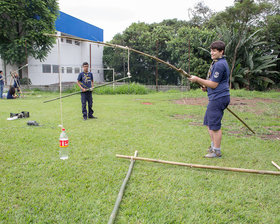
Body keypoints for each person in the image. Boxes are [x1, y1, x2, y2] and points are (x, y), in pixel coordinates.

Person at [188, 40, 230, 158]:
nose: (212, 53)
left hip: (219, 98)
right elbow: (212, 83)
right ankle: (213, 147)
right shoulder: (215, 63)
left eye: (215, 51)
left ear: (221, 52)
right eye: (211, 50)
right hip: (215, 97)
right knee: (209, 123)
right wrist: (205, 87)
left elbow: (214, 84)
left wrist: (197, 80)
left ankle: (217, 151)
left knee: (215, 125)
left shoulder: (220, 65)